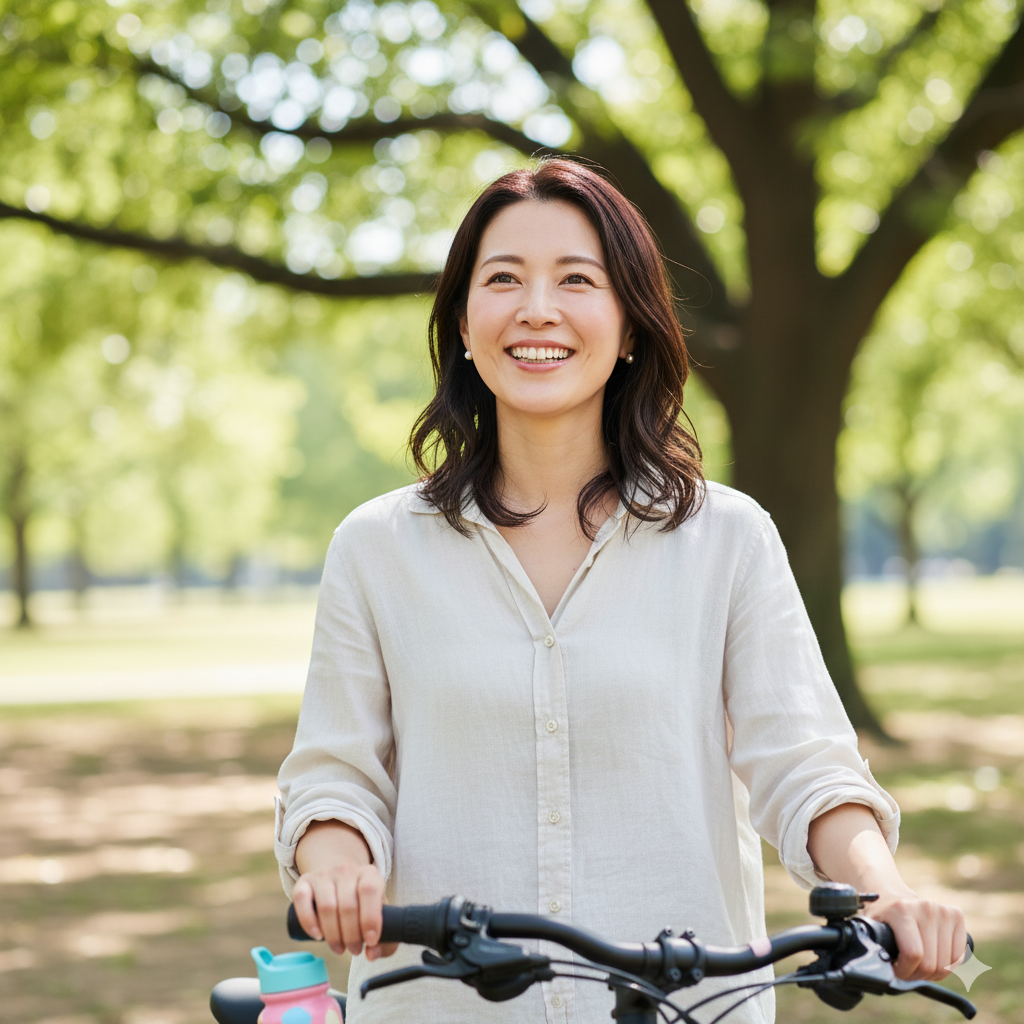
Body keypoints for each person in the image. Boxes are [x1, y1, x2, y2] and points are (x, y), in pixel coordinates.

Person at [275, 159, 966, 1024]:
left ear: (631, 325)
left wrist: (883, 891)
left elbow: (806, 763)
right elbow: (335, 780)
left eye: (577, 280)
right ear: (461, 323)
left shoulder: (728, 540)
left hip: (688, 1006)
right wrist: (338, 867)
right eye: (502, 280)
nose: (537, 309)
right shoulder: (377, 549)